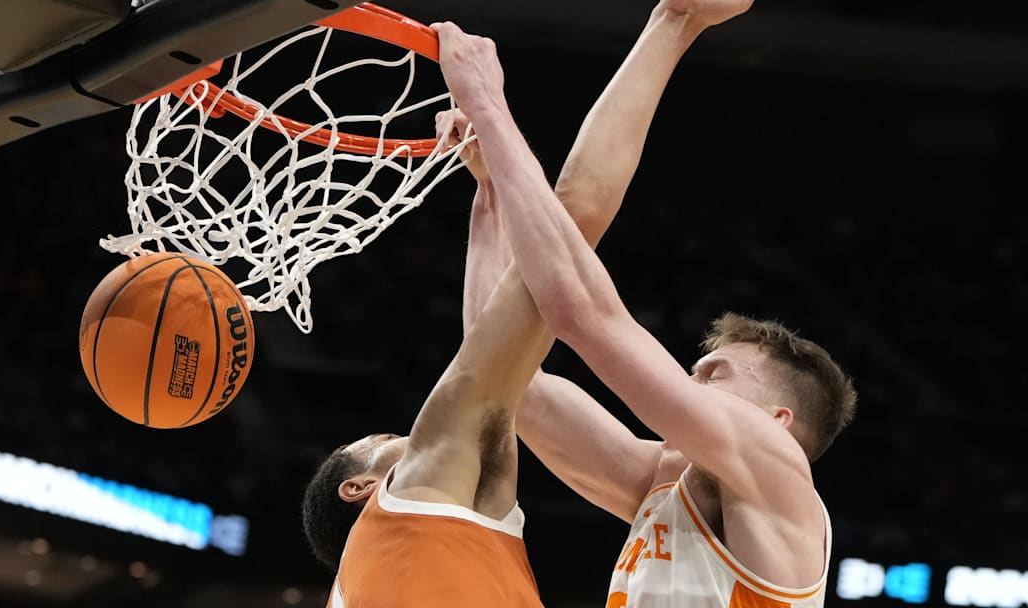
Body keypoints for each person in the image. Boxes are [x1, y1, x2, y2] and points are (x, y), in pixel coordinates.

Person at [299, 2, 748, 604]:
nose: (414, 429)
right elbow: (573, 222)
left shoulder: (394, 558)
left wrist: (488, 195)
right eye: (386, 436)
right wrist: (675, 20)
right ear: (361, 487)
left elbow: (506, 368)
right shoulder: (413, 491)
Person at [432, 0, 858, 606]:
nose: (690, 378)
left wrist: (490, 107)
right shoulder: (660, 482)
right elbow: (500, 375)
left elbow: (585, 314)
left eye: (715, 374)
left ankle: (678, 18)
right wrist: (492, 195)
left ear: (777, 424)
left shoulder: (776, 468)